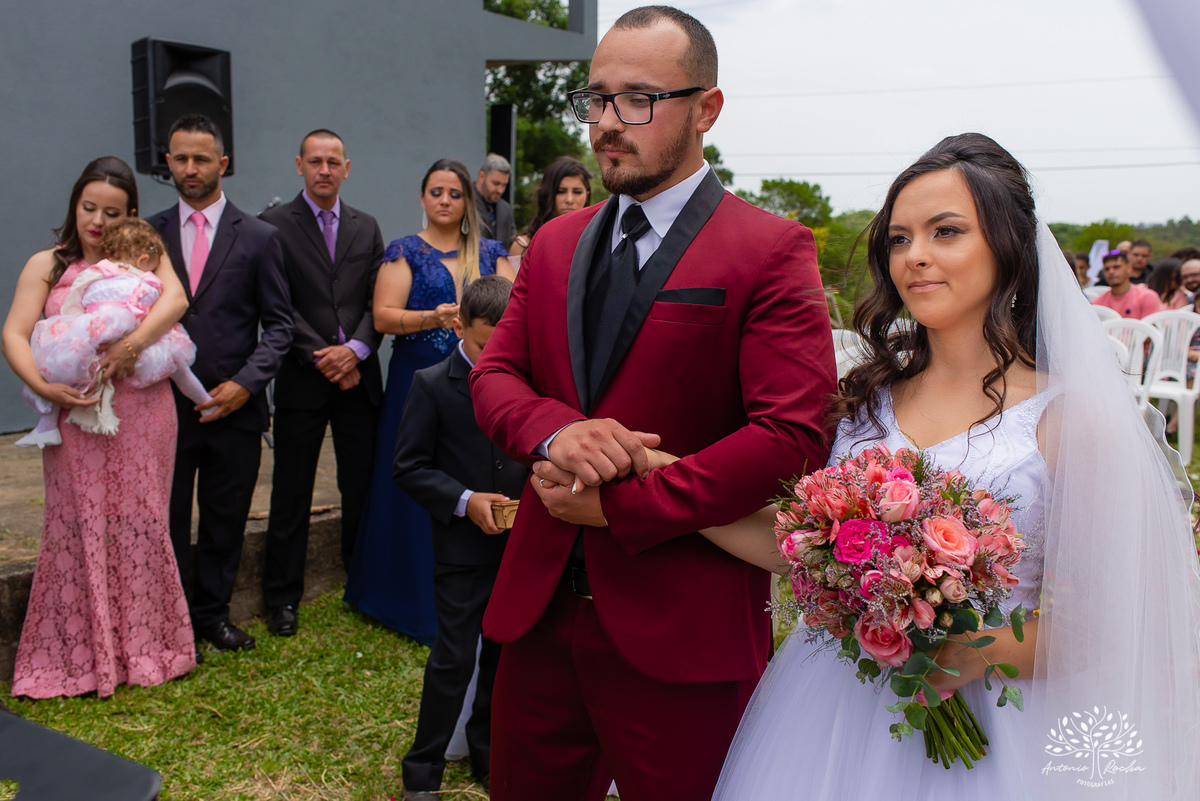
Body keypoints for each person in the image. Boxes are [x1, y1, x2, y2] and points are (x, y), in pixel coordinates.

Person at [710, 133, 1200, 800]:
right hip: (835, 708)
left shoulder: (1067, 416)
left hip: (1005, 723)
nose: (915, 257)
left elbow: (1118, 616)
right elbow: (802, 548)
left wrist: (980, 650)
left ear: (1006, 245)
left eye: (945, 232)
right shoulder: (860, 401)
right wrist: (660, 493)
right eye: (899, 238)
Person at [470, 7, 836, 799]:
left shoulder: (770, 248)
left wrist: (627, 501)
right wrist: (557, 431)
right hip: (537, 617)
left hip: (684, 624)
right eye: (597, 99)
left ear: (707, 109)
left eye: (638, 99)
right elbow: (495, 378)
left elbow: (793, 436)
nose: (607, 122)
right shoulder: (558, 242)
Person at [1, 157, 196, 698]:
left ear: (129, 213)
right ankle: (81, 658)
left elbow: (177, 301)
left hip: (144, 415)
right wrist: (44, 388)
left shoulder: (144, 257)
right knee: (75, 524)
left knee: (141, 523)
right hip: (77, 413)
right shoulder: (49, 263)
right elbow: (15, 334)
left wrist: (130, 346)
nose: (97, 221)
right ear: (75, 205)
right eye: (89, 207)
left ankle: (149, 651)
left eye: (111, 212)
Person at [344, 159, 513, 644]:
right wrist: (432, 318)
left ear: (467, 202)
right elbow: (381, 317)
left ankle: (478, 587)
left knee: (474, 470)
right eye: (435, 192)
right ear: (423, 198)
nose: (444, 200)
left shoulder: (492, 252)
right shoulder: (403, 251)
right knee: (413, 473)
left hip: (481, 384)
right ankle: (401, 594)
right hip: (415, 377)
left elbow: (513, 313)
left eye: (454, 193)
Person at [146, 114, 294, 653]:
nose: (191, 168)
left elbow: (279, 326)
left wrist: (245, 385)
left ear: (223, 163)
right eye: (180, 158)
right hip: (163, 407)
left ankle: (212, 615)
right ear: (168, 162)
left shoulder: (259, 237)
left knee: (225, 519)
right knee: (167, 518)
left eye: (201, 158)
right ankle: (170, 617)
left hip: (236, 408)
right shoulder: (147, 233)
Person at [394, 275, 526, 799]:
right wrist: (467, 501)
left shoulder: (528, 375)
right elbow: (408, 467)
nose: (495, 357)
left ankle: (487, 756)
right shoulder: (431, 384)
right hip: (461, 551)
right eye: (481, 345)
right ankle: (422, 770)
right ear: (457, 326)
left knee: (502, 658)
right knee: (454, 658)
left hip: (517, 548)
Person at [259, 129, 385, 638]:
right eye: (315, 161)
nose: (325, 169)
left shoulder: (367, 226)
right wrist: (325, 356)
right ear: (299, 166)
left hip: (359, 379)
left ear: (347, 168)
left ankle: (361, 583)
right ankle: (281, 598)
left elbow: (375, 297)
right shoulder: (271, 227)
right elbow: (278, 306)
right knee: (291, 490)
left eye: (334, 161)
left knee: (360, 487)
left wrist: (354, 350)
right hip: (301, 378)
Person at [18, 218, 211, 446]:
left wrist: (76, 322)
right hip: (129, 327)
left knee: (65, 374)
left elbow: (78, 294)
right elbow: (157, 304)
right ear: (143, 260)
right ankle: (205, 402)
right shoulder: (145, 279)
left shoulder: (98, 270)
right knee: (179, 368)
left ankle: (46, 425)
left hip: (95, 330)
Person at [507, 157, 594, 267]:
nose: (569, 199)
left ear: (587, 195)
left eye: (577, 192)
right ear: (548, 194)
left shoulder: (597, 240)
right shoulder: (523, 245)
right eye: (561, 192)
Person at [1091, 249, 1162, 318]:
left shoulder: (1147, 297)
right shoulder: (1096, 304)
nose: (1111, 271)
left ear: (1129, 268)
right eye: (1107, 269)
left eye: (1116, 267)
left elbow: (1150, 328)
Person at [474, 153, 515, 246]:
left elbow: (511, 242)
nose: (500, 190)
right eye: (496, 183)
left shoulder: (506, 209)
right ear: (481, 176)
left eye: (504, 185)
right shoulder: (463, 201)